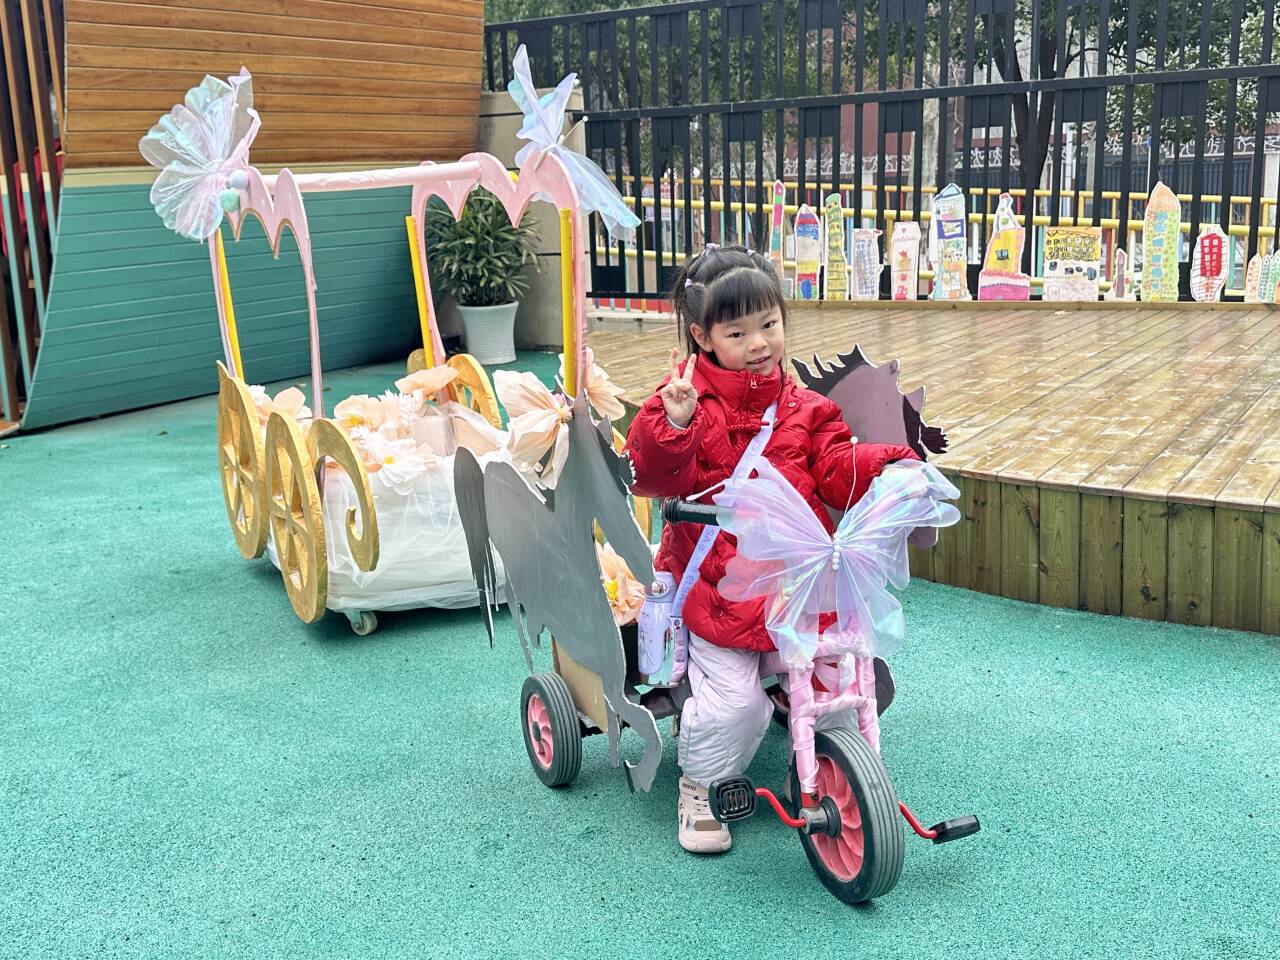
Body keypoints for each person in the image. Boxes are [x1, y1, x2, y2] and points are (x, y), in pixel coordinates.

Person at [626, 244, 919, 854]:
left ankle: (821, 766)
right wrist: (672, 426)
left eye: (769, 324)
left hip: (796, 585)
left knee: (839, 681)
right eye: (737, 333)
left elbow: (835, 469)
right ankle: (701, 787)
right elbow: (651, 476)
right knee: (736, 706)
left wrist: (887, 465)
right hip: (721, 589)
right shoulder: (685, 403)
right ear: (703, 338)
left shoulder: (806, 409)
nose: (759, 343)